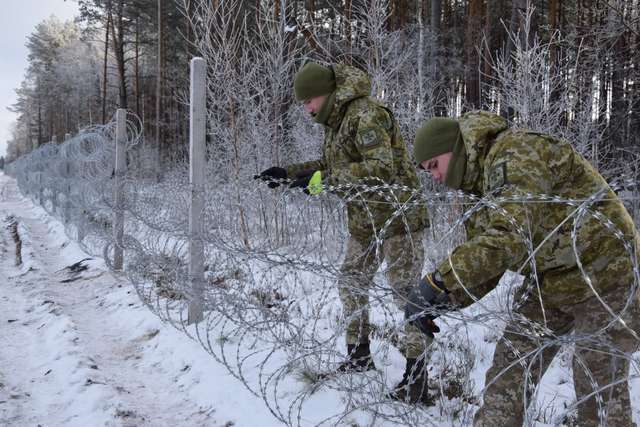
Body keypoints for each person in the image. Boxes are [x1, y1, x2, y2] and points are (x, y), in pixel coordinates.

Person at [405, 111, 640, 425]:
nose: (434, 176)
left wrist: (438, 280)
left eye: (434, 165)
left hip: (608, 271)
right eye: (426, 171)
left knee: (595, 380)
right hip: (551, 281)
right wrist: (444, 300)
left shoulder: (516, 152)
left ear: (456, 147)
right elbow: (488, 262)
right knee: (510, 369)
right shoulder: (478, 190)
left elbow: (508, 237)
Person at [256, 62, 431, 403]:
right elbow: (329, 165)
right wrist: (290, 174)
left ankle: (417, 376)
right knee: (350, 281)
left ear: (327, 93)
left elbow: (382, 167)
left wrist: (324, 183)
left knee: (406, 295)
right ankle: (358, 354)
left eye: (309, 100)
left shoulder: (366, 115)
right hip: (365, 220)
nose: (307, 108)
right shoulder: (336, 122)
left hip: (398, 217)